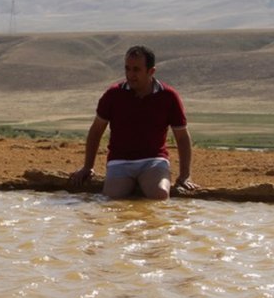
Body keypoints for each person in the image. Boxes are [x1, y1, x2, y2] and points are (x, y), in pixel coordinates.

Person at [70, 45, 196, 200]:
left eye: (136, 70)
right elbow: (96, 131)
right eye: (127, 69)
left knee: (160, 194)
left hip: (153, 161)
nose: (130, 75)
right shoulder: (113, 95)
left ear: (151, 71)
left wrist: (185, 175)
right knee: (113, 200)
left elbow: (182, 137)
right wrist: (88, 167)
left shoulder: (168, 96)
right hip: (120, 161)